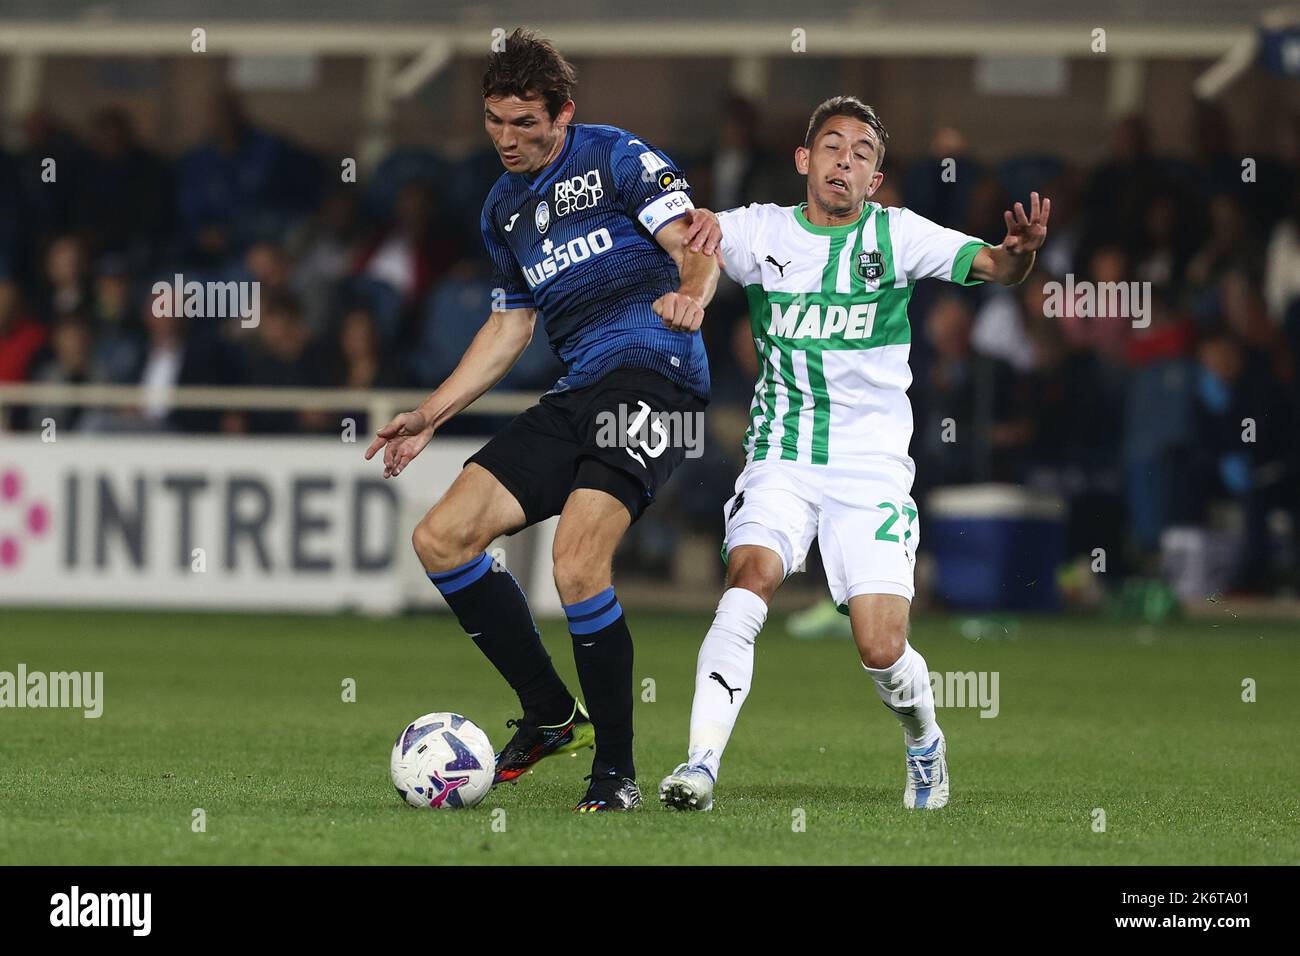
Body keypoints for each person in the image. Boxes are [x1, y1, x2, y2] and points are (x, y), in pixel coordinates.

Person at [659, 95, 1050, 812]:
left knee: (879, 645)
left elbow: (994, 267)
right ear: (806, 160)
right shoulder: (760, 230)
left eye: (863, 153)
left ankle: (925, 740)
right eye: (833, 146)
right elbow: (696, 246)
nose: (846, 159)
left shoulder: (899, 236)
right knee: (748, 581)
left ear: (875, 179)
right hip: (781, 453)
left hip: (870, 466)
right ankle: (699, 765)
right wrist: (693, 278)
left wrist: (1021, 257)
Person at [365, 28, 722, 813]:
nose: (506, 138)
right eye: (495, 121)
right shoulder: (503, 208)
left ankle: (617, 772)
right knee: (441, 536)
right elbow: (509, 328)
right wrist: (427, 414)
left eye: (525, 123)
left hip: (656, 376)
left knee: (576, 561)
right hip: (581, 386)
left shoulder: (616, 157)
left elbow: (694, 239)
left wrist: (692, 293)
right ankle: (553, 714)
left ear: (564, 114)